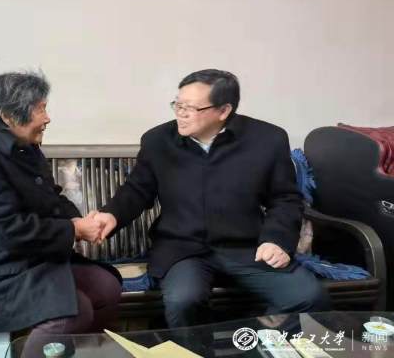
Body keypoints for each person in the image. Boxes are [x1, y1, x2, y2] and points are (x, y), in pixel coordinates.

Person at [94, 69, 330, 328]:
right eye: (178, 105)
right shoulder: (158, 140)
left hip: (247, 247)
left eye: (190, 108)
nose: (181, 114)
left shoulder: (267, 139)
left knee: (307, 295)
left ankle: (250, 343)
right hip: (182, 249)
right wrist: (111, 214)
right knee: (183, 300)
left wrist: (276, 240)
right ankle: (195, 348)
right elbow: (137, 191)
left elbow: (285, 198)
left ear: (223, 110)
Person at [0, 71, 122, 337]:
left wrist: (80, 221)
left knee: (107, 287)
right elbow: (5, 229)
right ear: (8, 116)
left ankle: (85, 352)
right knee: (74, 312)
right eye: (40, 109)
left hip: (31, 257)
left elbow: (50, 196)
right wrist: (74, 230)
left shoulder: (24, 148)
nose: (47, 118)